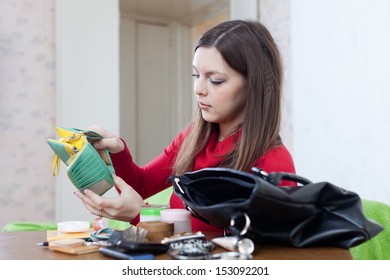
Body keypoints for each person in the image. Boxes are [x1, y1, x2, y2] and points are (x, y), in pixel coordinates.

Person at [74, 19, 296, 232]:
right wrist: (118, 152)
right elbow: (141, 186)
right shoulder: (193, 139)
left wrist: (139, 215)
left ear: (253, 85)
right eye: (196, 75)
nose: (199, 89)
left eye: (215, 80)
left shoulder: (274, 163)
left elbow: (260, 251)